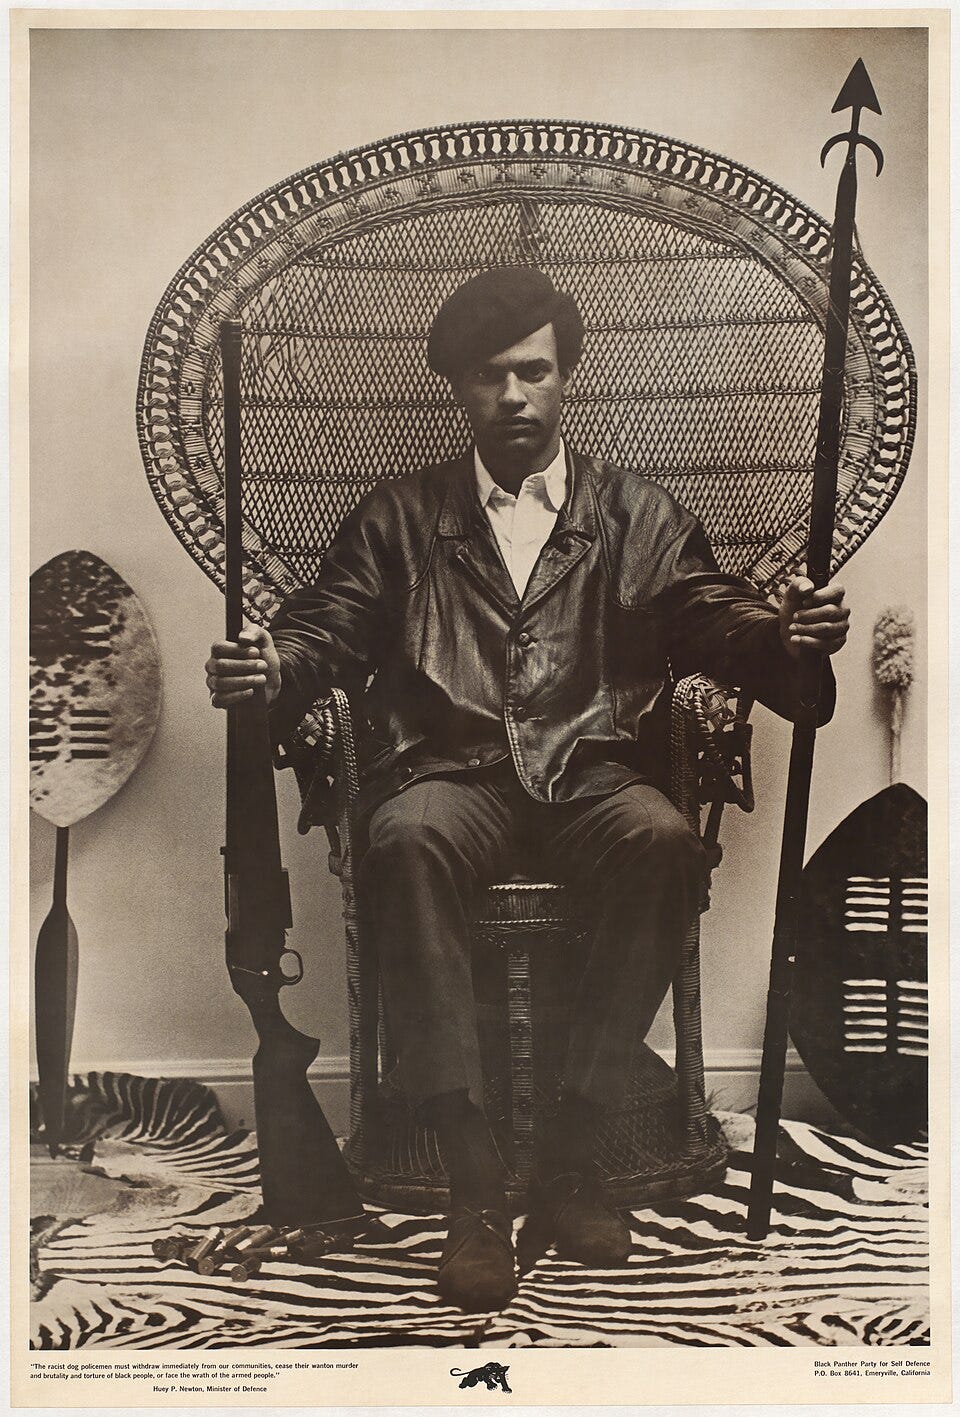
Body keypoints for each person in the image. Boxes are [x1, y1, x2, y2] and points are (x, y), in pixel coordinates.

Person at [205, 267, 849, 1313]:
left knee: (663, 841)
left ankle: (571, 1158)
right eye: (489, 374)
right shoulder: (397, 517)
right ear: (458, 386)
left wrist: (789, 636)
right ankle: (471, 1185)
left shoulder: (639, 514)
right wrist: (274, 665)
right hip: (446, 772)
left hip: (593, 773)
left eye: (534, 372)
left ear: (566, 378)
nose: (514, 395)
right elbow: (328, 623)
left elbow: (718, 619)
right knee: (404, 838)